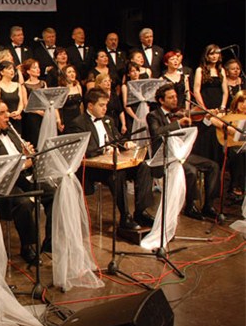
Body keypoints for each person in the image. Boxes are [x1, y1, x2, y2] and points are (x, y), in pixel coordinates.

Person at [0, 100, 54, 261]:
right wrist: (24, 162)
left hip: (21, 178)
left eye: (7, 112)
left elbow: (23, 157)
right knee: (23, 202)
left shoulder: (11, 131)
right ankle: (28, 245)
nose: (7, 116)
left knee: (52, 192)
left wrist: (27, 154)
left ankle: (50, 241)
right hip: (1, 185)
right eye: (1, 113)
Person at [66, 89, 154, 229]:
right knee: (118, 174)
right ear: (90, 106)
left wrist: (125, 143)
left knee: (144, 167)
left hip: (112, 163)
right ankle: (125, 216)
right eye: (101, 105)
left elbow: (117, 138)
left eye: (106, 105)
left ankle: (140, 212)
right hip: (92, 169)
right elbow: (81, 150)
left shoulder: (108, 120)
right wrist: (104, 150)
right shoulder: (78, 124)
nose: (105, 108)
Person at [146, 83, 220, 220]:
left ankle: (208, 205)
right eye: (170, 97)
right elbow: (156, 133)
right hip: (166, 156)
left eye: (175, 96)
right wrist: (178, 124)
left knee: (213, 166)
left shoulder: (180, 113)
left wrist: (207, 119)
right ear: (161, 100)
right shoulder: (153, 115)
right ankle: (190, 206)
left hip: (182, 153)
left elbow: (195, 132)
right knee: (191, 171)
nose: (175, 99)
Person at [192, 44, 229, 164]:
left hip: (219, 108)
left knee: (218, 137)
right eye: (211, 53)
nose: (214, 56)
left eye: (216, 53)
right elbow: (196, 91)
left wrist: (222, 107)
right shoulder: (200, 70)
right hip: (206, 107)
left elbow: (225, 91)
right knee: (207, 137)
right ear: (206, 55)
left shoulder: (221, 70)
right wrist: (204, 109)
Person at [0, 60, 27, 134]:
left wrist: (18, 111)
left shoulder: (18, 85)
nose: (12, 71)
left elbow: (21, 102)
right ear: (2, 72)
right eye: (9, 69)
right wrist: (8, 114)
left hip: (17, 118)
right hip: (3, 119)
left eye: (13, 69)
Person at [20, 58, 48, 146]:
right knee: (35, 140)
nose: (38, 69)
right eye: (35, 68)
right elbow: (25, 105)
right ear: (28, 71)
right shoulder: (24, 85)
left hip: (45, 114)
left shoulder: (43, 83)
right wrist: (38, 112)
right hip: (32, 116)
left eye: (38, 67)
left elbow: (47, 99)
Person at [58, 64, 83, 133]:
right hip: (66, 118)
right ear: (64, 75)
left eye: (73, 72)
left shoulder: (78, 87)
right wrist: (59, 120)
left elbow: (81, 104)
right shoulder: (60, 89)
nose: (72, 74)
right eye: (69, 72)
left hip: (78, 117)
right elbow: (56, 107)